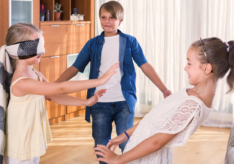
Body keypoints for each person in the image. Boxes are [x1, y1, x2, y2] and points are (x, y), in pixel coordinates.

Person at [0, 23, 118, 164]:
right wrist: (99, 81)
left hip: (32, 141)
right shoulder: (21, 82)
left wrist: (86, 102)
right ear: (18, 50)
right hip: (19, 145)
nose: (43, 51)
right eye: (37, 46)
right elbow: (60, 88)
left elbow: (55, 95)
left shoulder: (36, 74)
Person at [55, 2, 171, 163]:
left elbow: (145, 66)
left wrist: (164, 89)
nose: (107, 21)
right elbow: (75, 68)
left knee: (127, 143)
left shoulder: (130, 42)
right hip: (99, 102)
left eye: (112, 17)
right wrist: (53, 87)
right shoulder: (92, 44)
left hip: (124, 101)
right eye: (103, 17)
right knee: (101, 145)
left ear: (120, 21)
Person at [93, 37, 234, 164]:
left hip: (149, 158)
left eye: (189, 63)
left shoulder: (193, 105)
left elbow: (157, 142)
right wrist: (126, 135)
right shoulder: (190, 93)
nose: (185, 68)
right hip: (139, 147)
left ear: (207, 68)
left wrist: (119, 159)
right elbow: (154, 118)